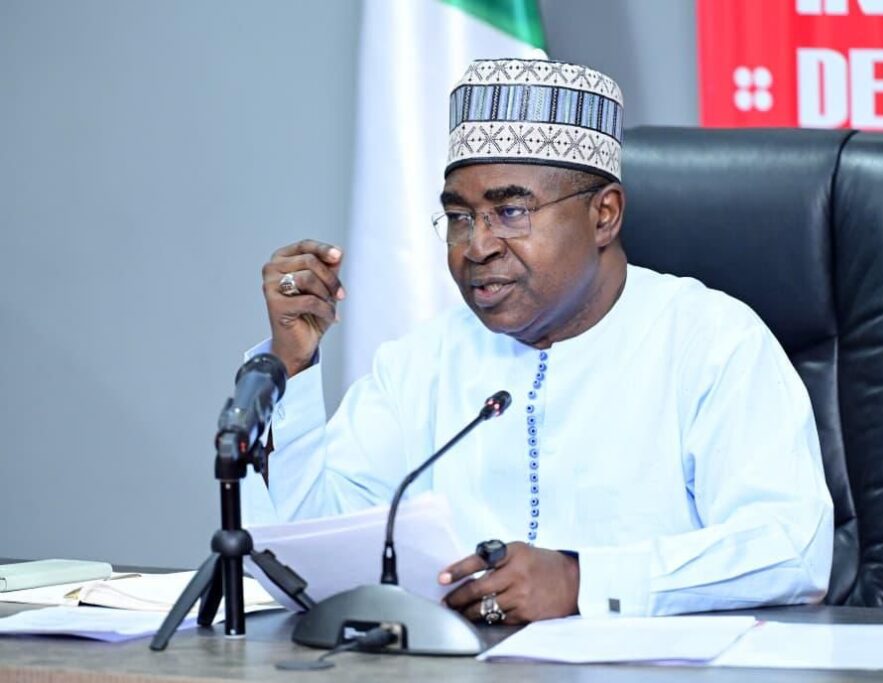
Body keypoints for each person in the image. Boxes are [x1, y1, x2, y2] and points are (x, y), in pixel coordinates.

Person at [242, 58, 834, 625]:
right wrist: (292, 364)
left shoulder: (711, 342)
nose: (478, 247)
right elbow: (312, 556)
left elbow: (790, 550)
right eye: (460, 218)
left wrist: (582, 581)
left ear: (604, 215)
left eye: (511, 212)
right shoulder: (421, 362)